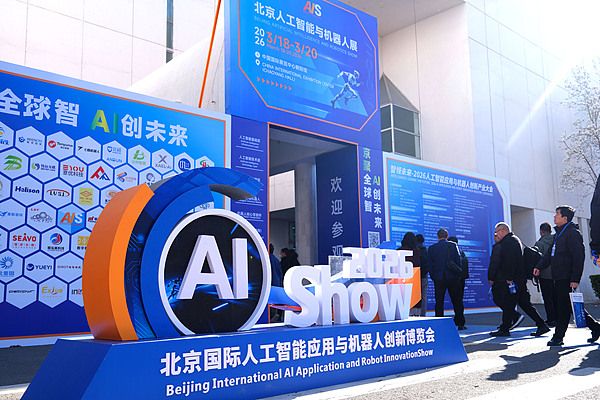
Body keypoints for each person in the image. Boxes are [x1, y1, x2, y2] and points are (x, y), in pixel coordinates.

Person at [534, 205, 600, 346]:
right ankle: (595, 327)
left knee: (562, 308)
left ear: (565, 218)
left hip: (566, 277)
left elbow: (578, 257)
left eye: (557, 214)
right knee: (568, 306)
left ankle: (558, 337)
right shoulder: (559, 234)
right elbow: (549, 254)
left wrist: (575, 279)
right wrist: (539, 266)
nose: (554, 216)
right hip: (558, 276)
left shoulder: (572, 233)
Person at [488, 222, 549, 337]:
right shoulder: (514, 240)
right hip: (519, 279)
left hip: (513, 280)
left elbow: (510, 262)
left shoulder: (509, 242)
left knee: (508, 303)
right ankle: (541, 325)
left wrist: (509, 278)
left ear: (503, 230)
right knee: (524, 304)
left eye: (497, 232)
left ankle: (505, 329)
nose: (496, 235)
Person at [428, 228, 466, 330]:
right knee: (456, 301)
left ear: (438, 236)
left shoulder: (432, 248)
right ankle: (460, 323)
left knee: (439, 302)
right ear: (447, 236)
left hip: (438, 278)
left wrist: (433, 276)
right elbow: (458, 261)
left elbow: (430, 265)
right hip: (453, 277)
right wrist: (458, 275)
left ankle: (439, 323)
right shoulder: (453, 245)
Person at [534, 222, 556, 326]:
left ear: (541, 231)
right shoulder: (556, 240)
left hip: (545, 275)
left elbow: (536, 259)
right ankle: (558, 318)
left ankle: (551, 319)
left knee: (547, 298)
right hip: (557, 274)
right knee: (556, 297)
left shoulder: (539, 243)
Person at [448, 236, 469, 314]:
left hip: (455, 278)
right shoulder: (461, 252)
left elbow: (451, 264)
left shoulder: (452, 252)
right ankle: (460, 318)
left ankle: (459, 317)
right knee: (459, 299)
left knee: (456, 299)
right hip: (461, 278)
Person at [415, 234, 430, 316]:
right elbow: (428, 264)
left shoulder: (414, 250)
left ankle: (414, 314)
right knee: (424, 296)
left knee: (414, 296)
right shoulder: (425, 251)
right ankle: (423, 314)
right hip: (424, 276)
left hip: (414, 277)